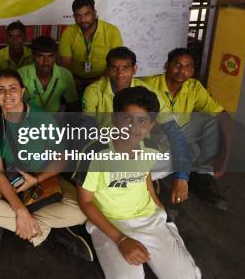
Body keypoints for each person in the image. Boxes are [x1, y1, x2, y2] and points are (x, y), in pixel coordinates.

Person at [77, 86, 201, 278]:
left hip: (149, 219)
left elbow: (145, 176)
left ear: (151, 125)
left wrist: (159, 207)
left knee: (186, 276)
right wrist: (121, 240)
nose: (133, 127)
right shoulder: (95, 153)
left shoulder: (150, 148)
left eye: (142, 121)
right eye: (126, 118)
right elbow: (85, 201)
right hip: (109, 223)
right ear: (113, 118)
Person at [0, 70, 92, 260]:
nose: (7, 94)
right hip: (11, 177)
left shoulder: (42, 117)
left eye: (13, 88)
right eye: (0, 89)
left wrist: (36, 179)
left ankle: (6, 221)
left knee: (81, 210)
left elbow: (62, 157)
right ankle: (48, 230)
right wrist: (20, 209)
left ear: (23, 91)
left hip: (44, 176)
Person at [82, 47, 193, 207]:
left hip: (139, 151)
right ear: (108, 70)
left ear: (135, 69)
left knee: (179, 155)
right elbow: (87, 132)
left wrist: (182, 177)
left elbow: (174, 132)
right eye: (114, 68)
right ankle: (137, 186)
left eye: (125, 68)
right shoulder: (93, 91)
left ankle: (142, 184)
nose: (120, 74)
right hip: (107, 150)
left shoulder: (149, 93)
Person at [143, 48, 232, 210]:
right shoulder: (148, 85)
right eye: (177, 65)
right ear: (167, 65)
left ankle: (203, 175)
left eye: (187, 67)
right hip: (153, 137)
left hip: (180, 133)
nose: (182, 71)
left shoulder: (194, 87)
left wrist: (224, 158)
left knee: (212, 122)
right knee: (188, 151)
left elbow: (223, 115)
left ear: (192, 71)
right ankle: (152, 185)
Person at [59, 0, 123, 92]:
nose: (83, 19)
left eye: (86, 14)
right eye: (78, 15)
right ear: (74, 16)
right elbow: (65, 65)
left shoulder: (112, 31)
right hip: (76, 80)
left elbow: (116, 63)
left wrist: (98, 83)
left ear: (94, 13)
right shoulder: (68, 32)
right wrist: (72, 82)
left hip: (104, 79)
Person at [18, 36, 80, 112]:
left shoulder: (65, 74)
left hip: (54, 120)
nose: (46, 62)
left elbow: (73, 106)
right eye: (40, 56)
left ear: (55, 56)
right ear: (33, 56)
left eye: (50, 56)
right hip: (27, 120)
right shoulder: (20, 74)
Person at [0, 21, 33, 87]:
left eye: (18, 36)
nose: (14, 40)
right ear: (7, 38)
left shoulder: (32, 54)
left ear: (25, 38)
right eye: (11, 36)